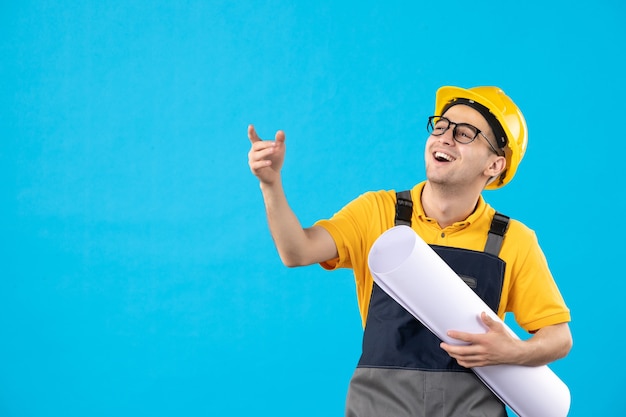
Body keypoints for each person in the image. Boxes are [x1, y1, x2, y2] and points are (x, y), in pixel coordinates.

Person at [247, 86, 572, 417]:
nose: (444, 138)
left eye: (464, 134)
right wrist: (271, 185)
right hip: (380, 406)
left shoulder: (512, 240)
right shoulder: (377, 212)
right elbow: (297, 251)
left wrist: (513, 351)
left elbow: (559, 337)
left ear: (494, 164)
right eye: (441, 127)